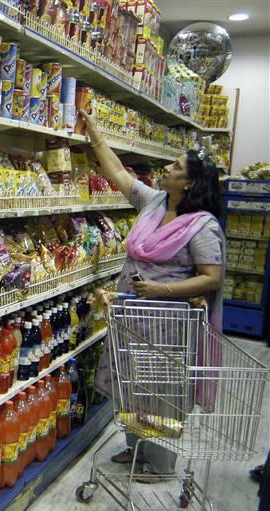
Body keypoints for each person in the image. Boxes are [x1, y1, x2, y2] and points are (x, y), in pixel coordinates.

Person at [80, 110, 225, 482]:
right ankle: (136, 446)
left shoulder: (202, 225)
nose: (166, 169)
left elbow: (212, 276)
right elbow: (118, 174)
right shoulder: (155, 202)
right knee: (129, 382)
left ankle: (160, 464)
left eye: (175, 167)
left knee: (158, 389)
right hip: (131, 314)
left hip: (166, 323)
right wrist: (94, 133)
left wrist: (163, 290)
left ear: (189, 183)